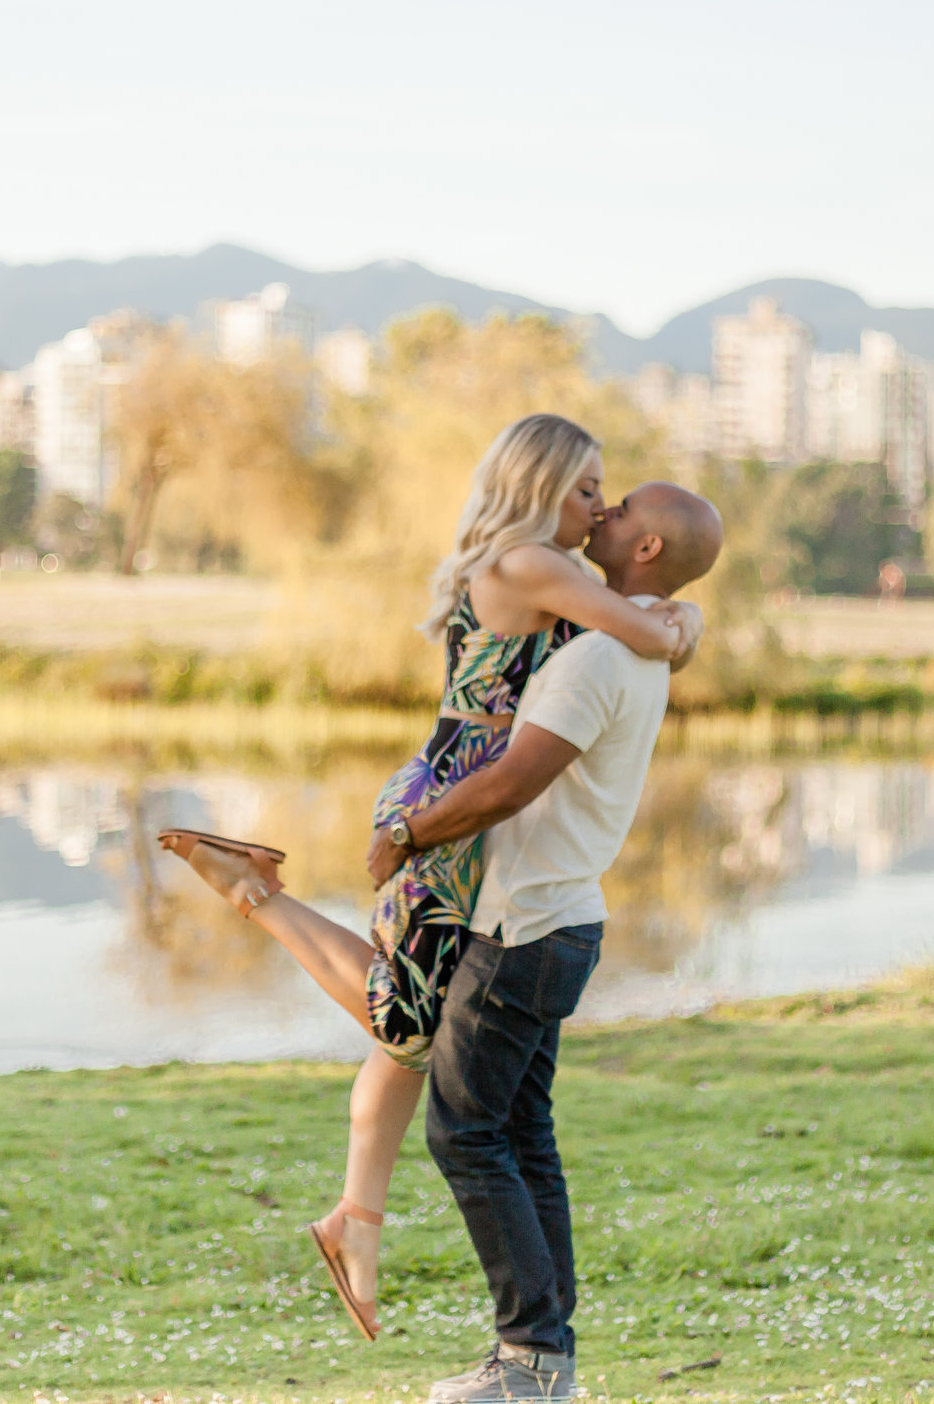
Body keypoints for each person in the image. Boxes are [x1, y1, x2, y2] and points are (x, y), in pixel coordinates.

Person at [154, 414, 702, 1343]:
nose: (597, 505)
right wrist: (679, 616)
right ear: (537, 488)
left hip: (456, 796)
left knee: (409, 1027)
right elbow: (642, 633)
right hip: (453, 804)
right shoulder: (532, 564)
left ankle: (356, 1224)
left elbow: (635, 625)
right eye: (583, 489)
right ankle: (256, 892)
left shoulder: (531, 562)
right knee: (400, 1017)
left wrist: (671, 611)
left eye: (604, 493)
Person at [397, 479, 723, 1403]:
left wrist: (408, 835)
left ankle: (533, 1359)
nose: (602, 514)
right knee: (522, 1135)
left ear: (647, 548)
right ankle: (541, 1361)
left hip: (526, 927)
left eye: (617, 509)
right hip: (560, 917)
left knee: (464, 1133)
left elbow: (508, 784)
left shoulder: (599, 662)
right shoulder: (628, 635)